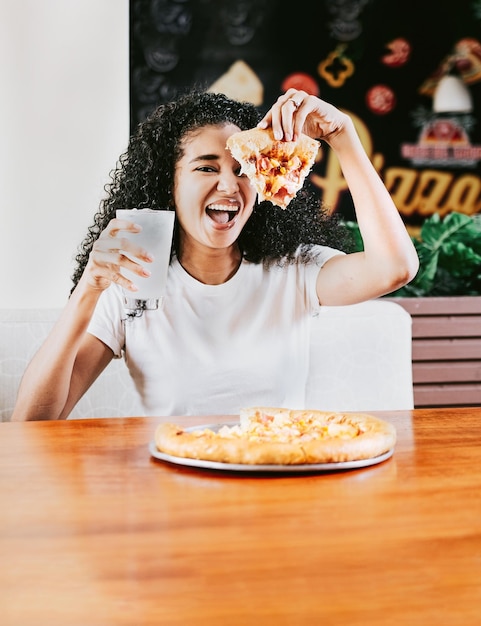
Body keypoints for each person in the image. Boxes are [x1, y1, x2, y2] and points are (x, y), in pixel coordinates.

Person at [12, 88, 419, 421]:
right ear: (167, 184)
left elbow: (394, 268)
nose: (229, 185)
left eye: (243, 169)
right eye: (207, 168)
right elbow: (32, 423)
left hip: (279, 483)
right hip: (171, 496)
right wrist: (88, 290)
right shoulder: (133, 280)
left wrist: (342, 136)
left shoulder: (292, 270)